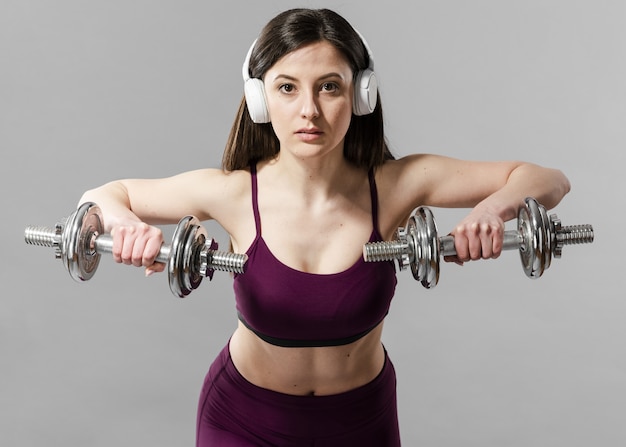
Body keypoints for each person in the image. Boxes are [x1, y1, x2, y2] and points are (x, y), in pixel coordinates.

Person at [78, 8, 571, 446]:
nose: (309, 110)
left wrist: (495, 210)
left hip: (361, 421)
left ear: (360, 95)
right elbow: (100, 198)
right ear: (259, 99)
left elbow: (547, 180)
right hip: (243, 420)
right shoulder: (230, 193)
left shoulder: (397, 186)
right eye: (287, 88)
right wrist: (122, 223)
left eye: (329, 86)